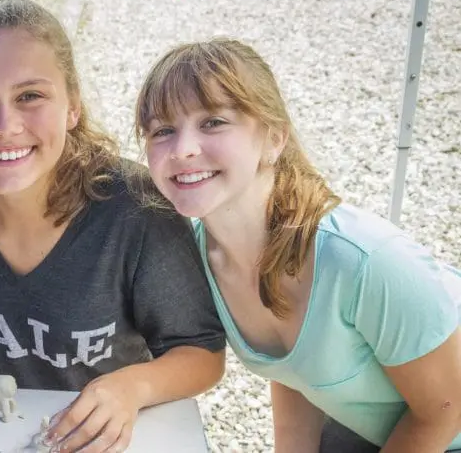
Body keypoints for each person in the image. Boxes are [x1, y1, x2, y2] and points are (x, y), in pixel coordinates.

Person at [135, 37, 461, 452]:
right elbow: (297, 373)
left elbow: (444, 410)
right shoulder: (196, 255)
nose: (182, 150)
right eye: (162, 130)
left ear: (274, 138)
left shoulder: (363, 261)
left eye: (213, 122)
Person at [0, 0, 226, 453]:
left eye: (30, 95)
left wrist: (132, 388)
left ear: (72, 105)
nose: (5, 124)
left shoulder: (137, 209)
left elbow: (202, 353)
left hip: (109, 439)